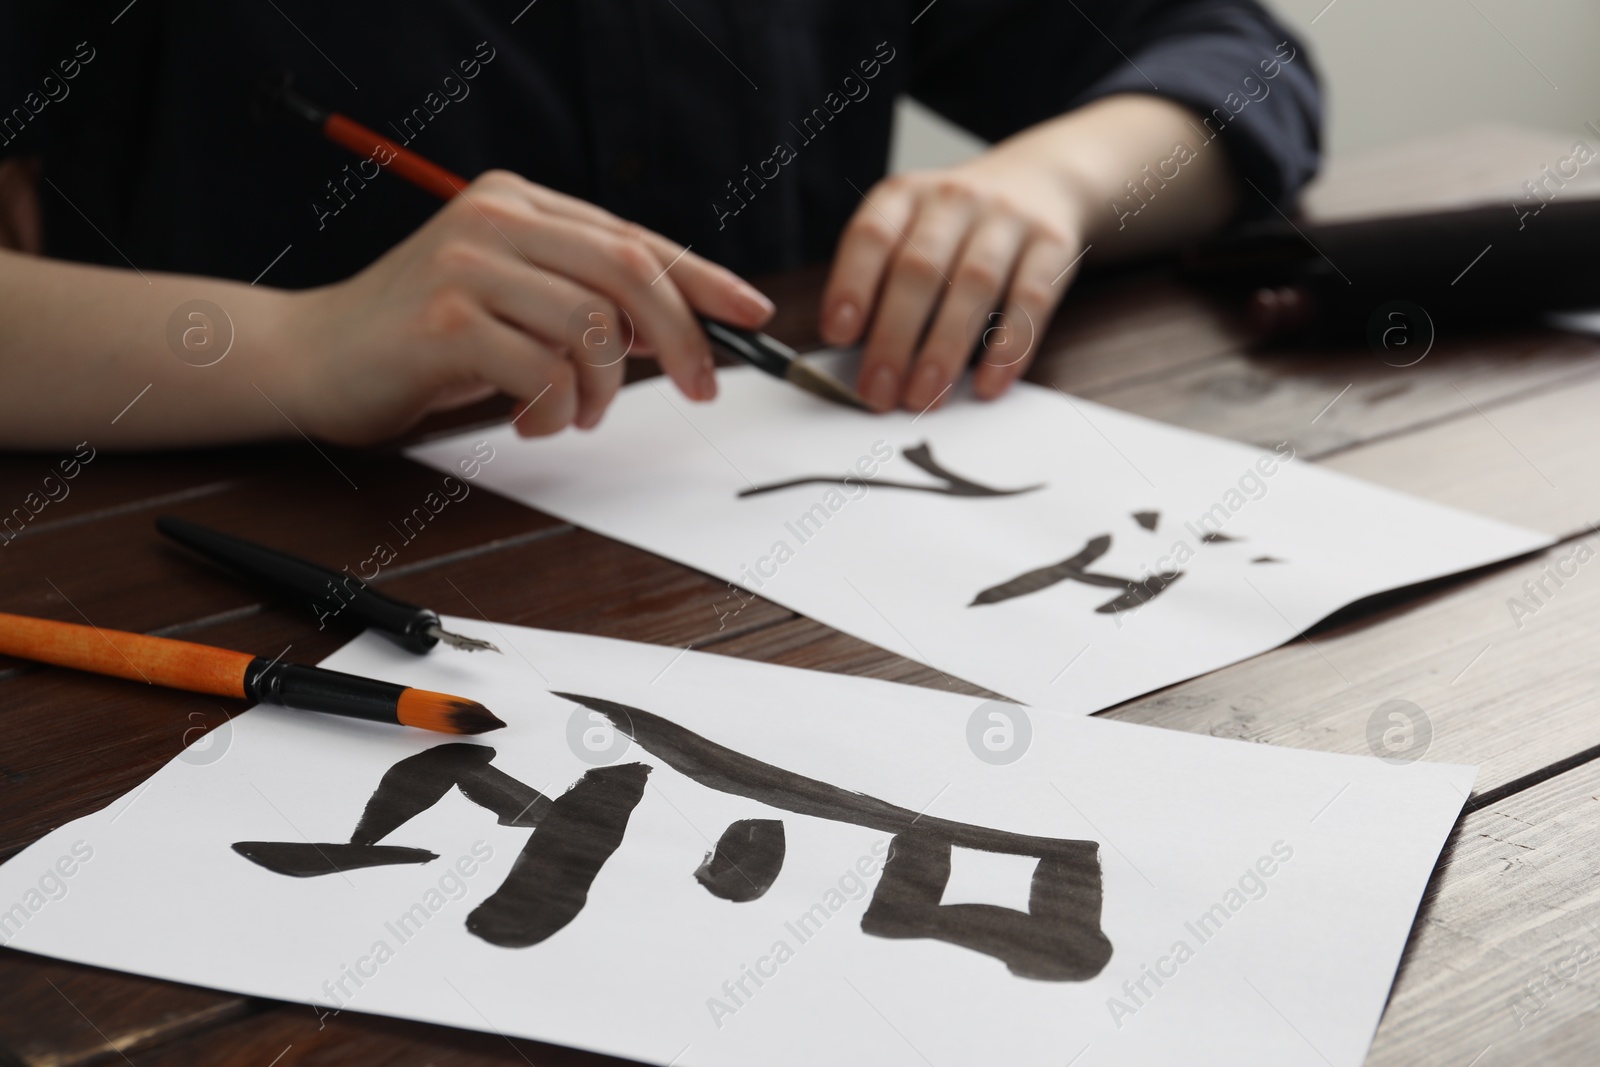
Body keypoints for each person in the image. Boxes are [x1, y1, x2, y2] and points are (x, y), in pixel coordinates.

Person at [0, 1, 1319, 450]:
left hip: (771, 560)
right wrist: (304, 348)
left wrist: (1055, 184)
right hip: (233, 582)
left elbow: (1239, 63)